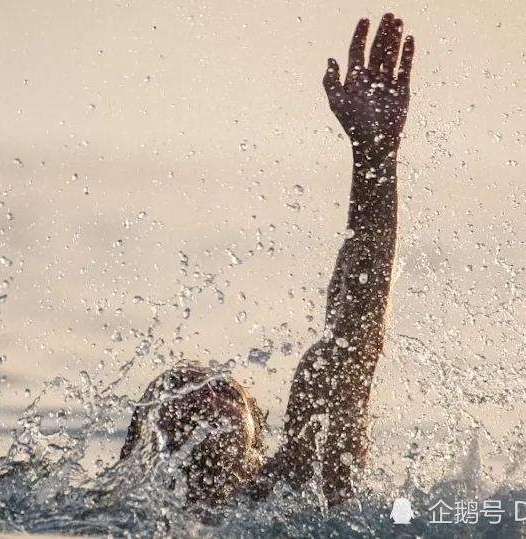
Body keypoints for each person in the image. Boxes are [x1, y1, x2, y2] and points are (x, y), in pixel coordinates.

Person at [119, 13, 415, 508]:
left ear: (258, 438)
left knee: (321, 372)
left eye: (227, 391)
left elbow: (356, 336)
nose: (209, 393)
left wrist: (374, 158)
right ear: (135, 449)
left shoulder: (294, 489)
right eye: (180, 389)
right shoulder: (100, 513)